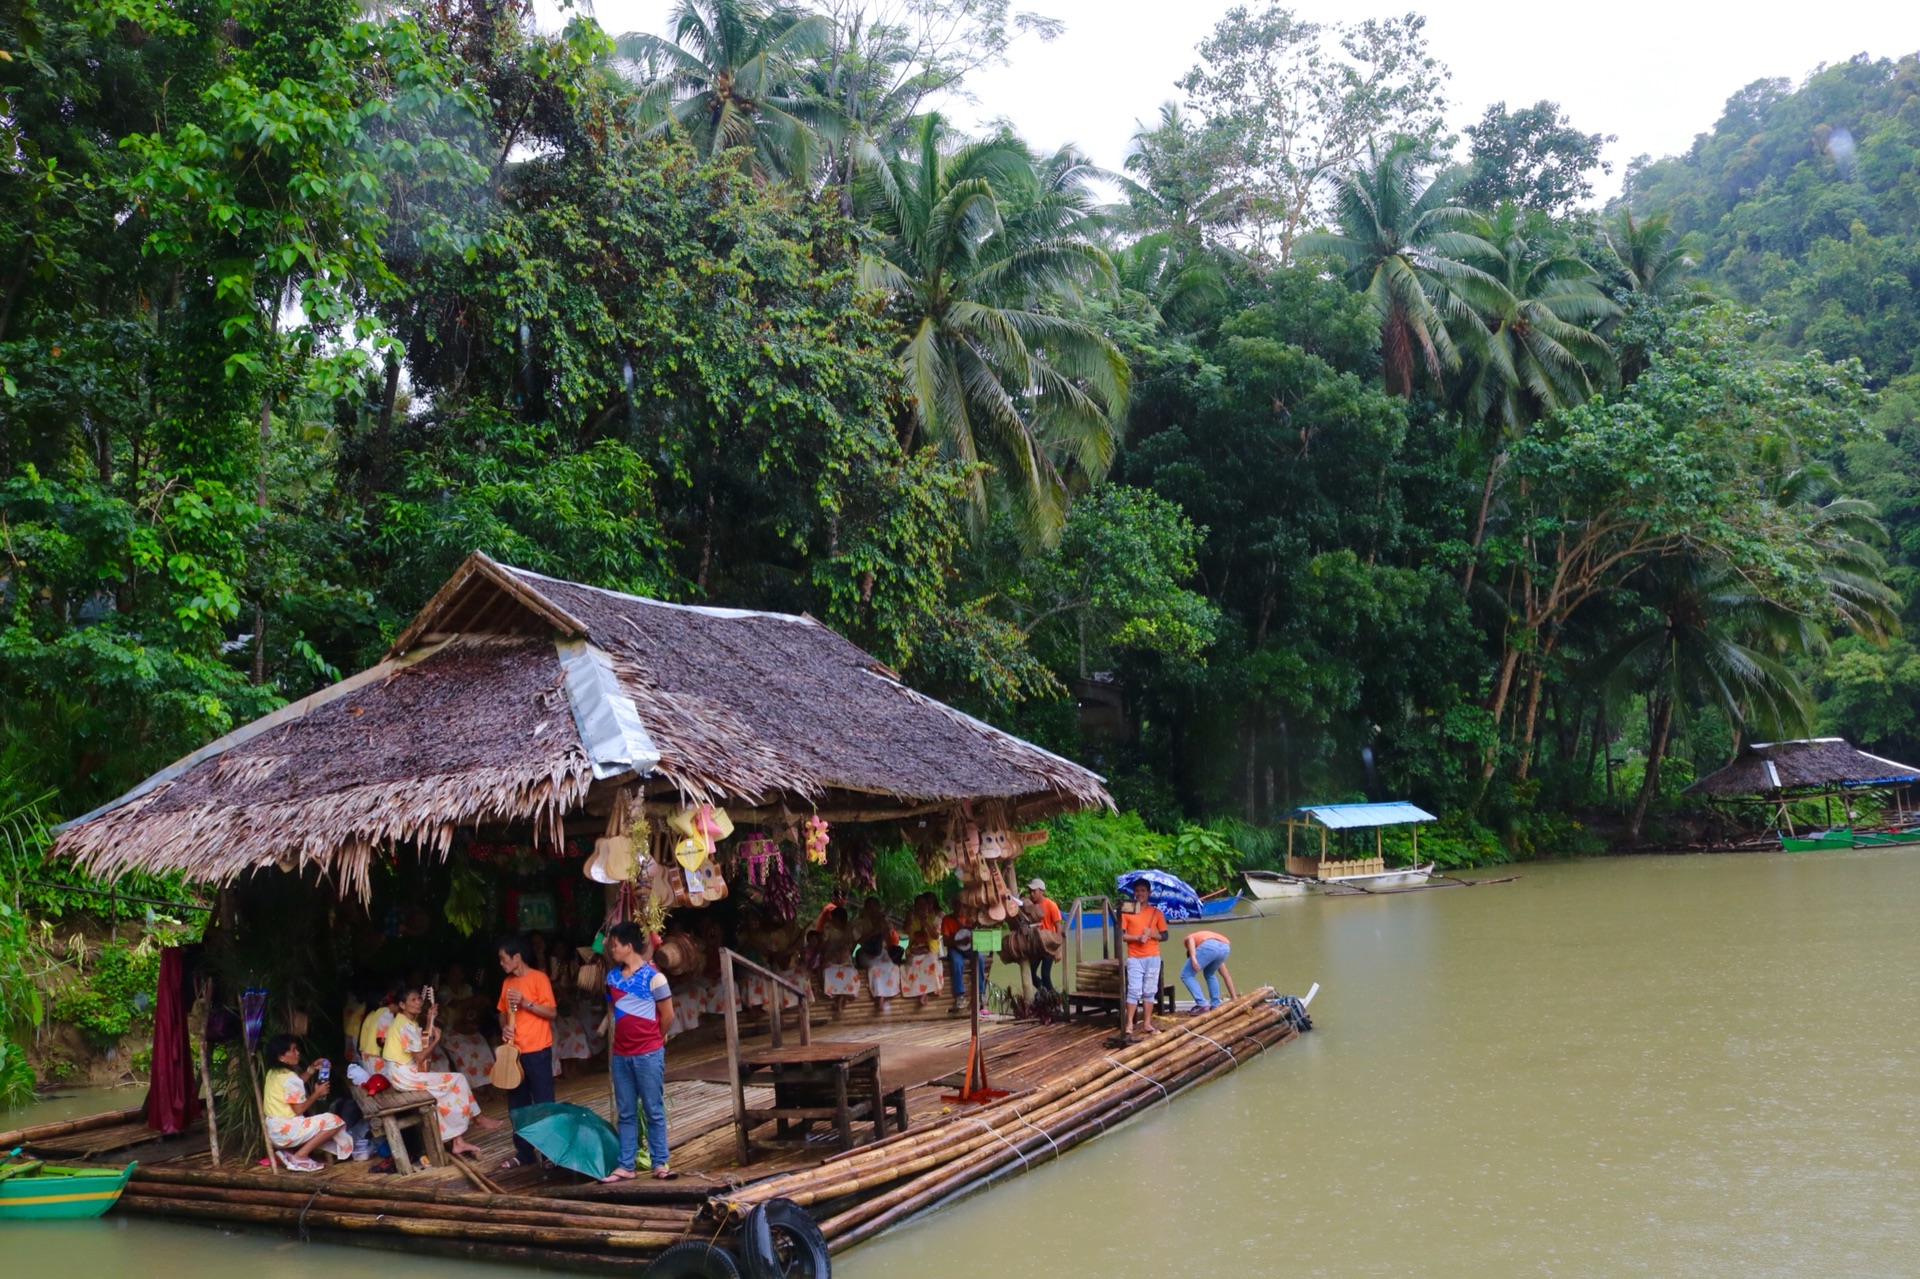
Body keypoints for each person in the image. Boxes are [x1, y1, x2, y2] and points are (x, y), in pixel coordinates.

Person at [383, 984, 501, 1158]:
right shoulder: (404, 1026)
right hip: (404, 1075)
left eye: (419, 999)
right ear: (402, 1005)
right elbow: (420, 1058)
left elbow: (421, 1042)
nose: (418, 1003)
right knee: (458, 1079)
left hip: (404, 1072)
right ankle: (475, 1121)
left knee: (451, 1085)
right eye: (413, 1000)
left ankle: (460, 1138)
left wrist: (430, 1019)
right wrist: (437, 1040)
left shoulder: (407, 1022)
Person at [602, 921, 675, 1182]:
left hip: (648, 1053)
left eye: (615, 945)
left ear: (628, 946)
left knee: (653, 1109)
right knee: (626, 1111)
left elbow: (668, 1015)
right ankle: (626, 1166)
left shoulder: (655, 978)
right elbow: (613, 1010)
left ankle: (660, 1163)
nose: (611, 950)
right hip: (620, 1055)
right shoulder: (611, 978)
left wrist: (656, 1038)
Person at [496, 933, 559, 1170]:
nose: (501, 963)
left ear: (517, 957)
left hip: (538, 1050)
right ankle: (524, 1153)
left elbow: (552, 1013)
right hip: (514, 1053)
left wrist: (525, 1003)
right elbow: (502, 1011)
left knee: (543, 1103)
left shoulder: (539, 978)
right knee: (517, 1105)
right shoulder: (507, 983)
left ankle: (550, 1154)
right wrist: (504, 1029)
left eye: (503, 958)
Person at [262, 1034, 352, 1172]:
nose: (297, 1053)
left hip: (275, 1130)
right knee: (334, 1121)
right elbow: (298, 1110)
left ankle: (293, 1153)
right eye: (292, 1050)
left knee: (323, 1121)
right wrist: (317, 1093)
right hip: (287, 1131)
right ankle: (300, 1156)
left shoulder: (274, 1073)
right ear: (281, 1057)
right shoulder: (289, 1078)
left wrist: (311, 1069)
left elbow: (295, 1084)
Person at [1120, 879, 1169, 1038]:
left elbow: (1164, 935)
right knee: (1133, 990)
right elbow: (1122, 936)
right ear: (1134, 893)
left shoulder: (1156, 912)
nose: (1140, 894)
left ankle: (1147, 1023)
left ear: (1149, 893)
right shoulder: (1128, 910)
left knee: (1149, 991)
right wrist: (1138, 937)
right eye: (1137, 891)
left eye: (1143, 891)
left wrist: (1151, 934)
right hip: (1135, 957)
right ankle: (1129, 1024)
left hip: (1153, 956)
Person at [1179, 928, 1238, 1011]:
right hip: (1225, 947)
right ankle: (1215, 1004)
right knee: (1209, 973)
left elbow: (1190, 938)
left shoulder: (1191, 942)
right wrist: (1234, 997)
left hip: (1209, 945)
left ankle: (1202, 1004)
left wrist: (1193, 957)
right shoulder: (1214, 952)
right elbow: (1226, 976)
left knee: (1186, 975)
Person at [1025, 879, 1064, 993]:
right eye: (1030, 891)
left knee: (1045, 975)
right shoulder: (1029, 906)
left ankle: (1055, 1000)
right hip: (1036, 946)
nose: (1031, 894)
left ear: (1042, 891)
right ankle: (1044, 992)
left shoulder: (1051, 905)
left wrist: (1057, 950)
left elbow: (1058, 927)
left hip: (1049, 945)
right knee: (1031, 974)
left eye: (1034, 891)